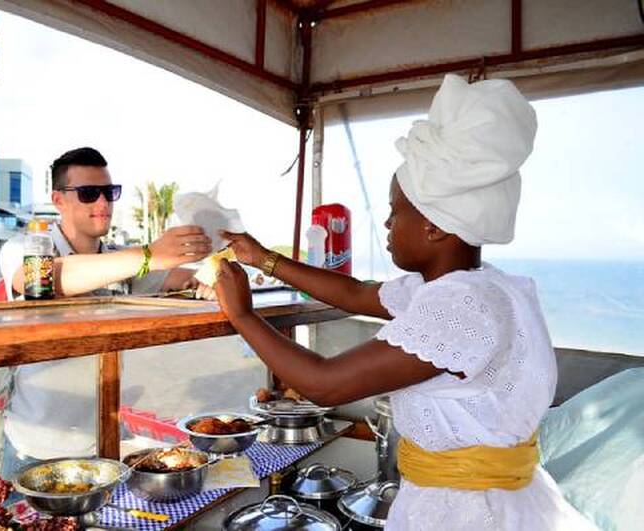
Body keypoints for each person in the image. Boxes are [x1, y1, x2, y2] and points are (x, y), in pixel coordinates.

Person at [214, 75, 595, 530]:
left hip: (466, 513)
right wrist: (265, 260)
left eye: (396, 210)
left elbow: (325, 385)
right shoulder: (468, 286)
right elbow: (354, 292)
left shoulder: (462, 308)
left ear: (434, 224)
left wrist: (243, 314)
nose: (388, 223)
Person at [0, 147, 214, 479]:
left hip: (103, 444)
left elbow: (181, 277)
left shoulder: (118, 261)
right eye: (88, 193)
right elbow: (40, 279)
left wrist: (212, 275)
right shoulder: (24, 248)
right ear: (58, 200)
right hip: (35, 448)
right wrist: (148, 254)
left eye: (109, 193)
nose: (102, 204)